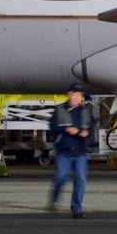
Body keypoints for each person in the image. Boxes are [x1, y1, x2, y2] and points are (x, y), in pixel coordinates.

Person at [47, 83, 97, 217]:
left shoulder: (85, 111)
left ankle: (77, 209)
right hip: (64, 151)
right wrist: (66, 129)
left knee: (80, 178)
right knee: (61, 177)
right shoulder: (60, 110)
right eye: (74, 94)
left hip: (80, 151)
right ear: (69, 95)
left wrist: (87, 134)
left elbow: (91, 129)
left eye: (79, 95)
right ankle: (54, 200)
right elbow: (52, 127)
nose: (76, 97)